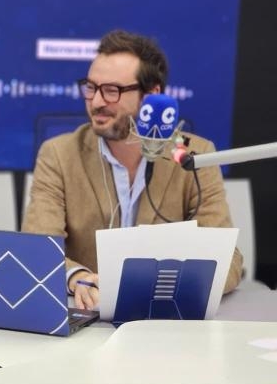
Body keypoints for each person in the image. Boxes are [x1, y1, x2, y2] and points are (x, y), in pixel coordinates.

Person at [22, 29, 243, 310]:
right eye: (91, 87)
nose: (97, 101)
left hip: (166, 322)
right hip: (86, 315)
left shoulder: (194, 156)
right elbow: (37, 251)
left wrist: (154, 288)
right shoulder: (59, 154)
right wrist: (77, 278)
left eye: (112, 90)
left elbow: (228, 259)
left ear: (152, 96)